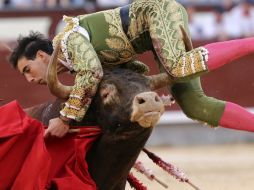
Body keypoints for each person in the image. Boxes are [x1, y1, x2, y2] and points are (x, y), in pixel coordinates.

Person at [9, 0, 254, 138]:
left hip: (157, 13)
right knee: (194, 106)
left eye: (27, 69)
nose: (29, 79)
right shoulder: (76, 65)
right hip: (154, 37)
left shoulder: (66, 41)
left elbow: (92, 73)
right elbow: (132, 68)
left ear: (42, 56)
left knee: (178, 67)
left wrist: (65, 119)